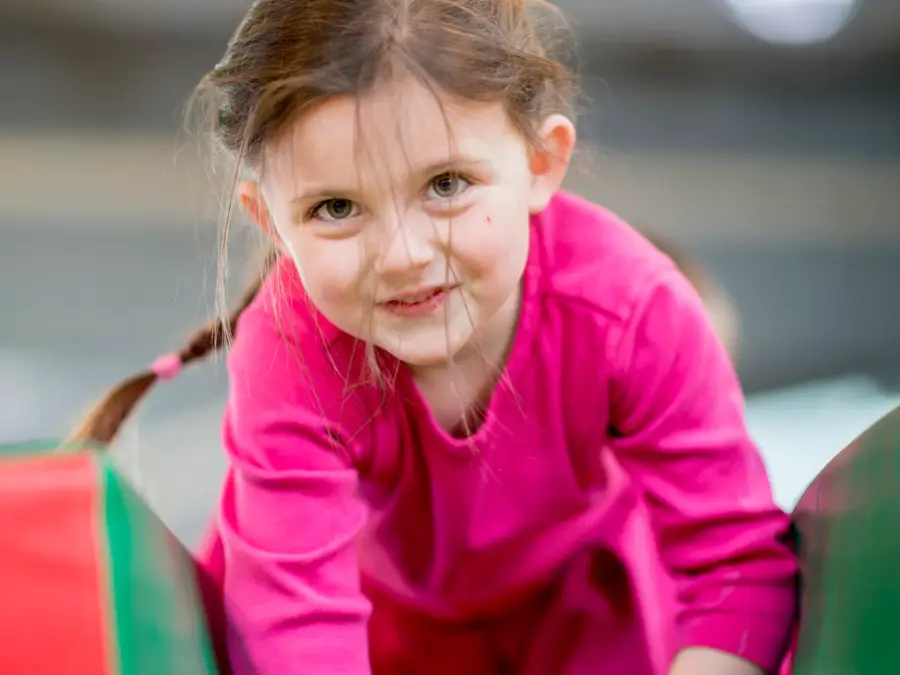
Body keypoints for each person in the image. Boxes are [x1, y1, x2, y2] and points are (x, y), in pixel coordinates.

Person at [68, 0, 796, 673]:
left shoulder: (634, 310)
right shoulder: (290, 349)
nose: (404, 254)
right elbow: (299, 630)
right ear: (269, 221)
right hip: (377, 634)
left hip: (575, 631)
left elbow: (734, 567)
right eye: (336, 206)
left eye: (446, 185)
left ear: (542, 163)